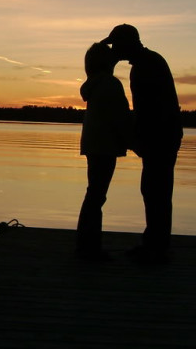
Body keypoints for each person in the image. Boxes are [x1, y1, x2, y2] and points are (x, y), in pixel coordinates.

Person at [101, 24, 182, 263]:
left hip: (161, 137)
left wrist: (139, 138)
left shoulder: (146, 65)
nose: (114, 49)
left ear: (127, 44)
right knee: (155, 190)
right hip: (162, 135)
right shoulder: (149, 61)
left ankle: (156, 248)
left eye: (116, 45)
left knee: (156, 190)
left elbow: (150, 109)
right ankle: (155, 244)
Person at [76, 42, 131, 261]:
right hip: (105, 145)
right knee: (96, 195)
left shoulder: (94, 84)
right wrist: (134, 141)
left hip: (94, 144)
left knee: (94, 194)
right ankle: (89, 248)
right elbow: (121, 117)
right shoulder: (110, 84)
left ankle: (86, 244)